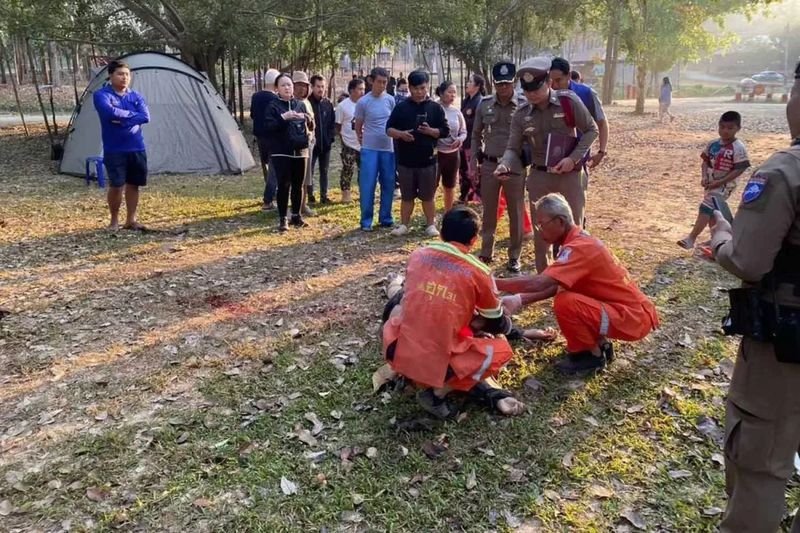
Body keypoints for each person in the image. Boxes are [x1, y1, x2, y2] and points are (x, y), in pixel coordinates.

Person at [709, 62, 800, 533]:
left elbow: (748, 260)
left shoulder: (786, 171)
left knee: (760, 460)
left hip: (785, 347)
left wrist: (723, 236)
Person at [380, 206, 527, 419]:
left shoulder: (418, 255)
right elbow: (495, 323)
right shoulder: (478, 272)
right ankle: (438, 393)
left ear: (441, 233)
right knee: (501, 349)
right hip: (437, 362)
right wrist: (499, 319)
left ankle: (427, 378)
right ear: (474, 240)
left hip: (397, 352)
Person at [497, 193, 659, 374]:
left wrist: (494, 284)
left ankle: (588, 356)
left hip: (632, 318)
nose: (539, 230)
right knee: (567, 295)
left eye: (541, 224)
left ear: (560, 221)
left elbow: (540, 283)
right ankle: (600, 345)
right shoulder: (577, 241)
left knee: (566, 302)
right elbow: (555, 284)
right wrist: (519, 299)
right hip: (630, 313)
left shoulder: (580, 248)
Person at [495, 57, 598, 273]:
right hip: (540, 176)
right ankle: (544, 275)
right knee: (541, 227)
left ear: (548, 82)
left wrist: (573, 158)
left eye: (536, 88)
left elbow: (591, 130)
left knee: (572, 227)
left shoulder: (568, 101)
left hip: (570, 175)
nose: (532, 94)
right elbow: (513, 148)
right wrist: (505, 165)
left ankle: (572, 273)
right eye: (527, 89)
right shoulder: (522, 115)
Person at [471, 62, 527, 273]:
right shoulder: (484, 104)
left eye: (507, 83)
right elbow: (476, 135)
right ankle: (486, 251)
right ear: (493, 83)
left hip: (515, 166)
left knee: (516, 211)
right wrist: (472, 162)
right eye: (499, 84)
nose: (503, 88)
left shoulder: (523, 103)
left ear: (514, 82)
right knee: (489, 211)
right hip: (490, 164)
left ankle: (514, 255)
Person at [386, 70, 449, 237]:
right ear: (410, 88)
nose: (419, 92)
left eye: (422, 88)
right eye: (415, 88)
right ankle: (404, 225)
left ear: (427, 87)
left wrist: (431, 131)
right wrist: (400, 135)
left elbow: (445, 131)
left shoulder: (436, 108)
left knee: (428, 196)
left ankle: (430, 225)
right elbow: (389, 129)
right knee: (407, 196)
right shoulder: (401, 107)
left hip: (428, 160)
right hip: (406, 161)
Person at [678, 111, 750, 251]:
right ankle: (717, 240)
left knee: (706, 207)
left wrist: (721, 181)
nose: (725, 131)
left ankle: (691, 238)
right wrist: (704, 176)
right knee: (713, 212)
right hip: (711, 183)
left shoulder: (738, 147)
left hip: (724, 186)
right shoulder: (713, 144)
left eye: (730, 128)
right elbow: (705, 162)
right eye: (722, 127)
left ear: (738, 129)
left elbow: (739, 169)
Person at [93, 60, 150, 231]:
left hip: (137, 147)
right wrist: (132, 117)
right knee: (117, 185)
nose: (124, 78)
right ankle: (114, 221)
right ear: (110, 76)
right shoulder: (102, 95)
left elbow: (145, 117)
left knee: (134, 184)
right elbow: (109, 113)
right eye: (120, 74)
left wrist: (121, 120)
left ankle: (131, 220)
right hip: (115, 149)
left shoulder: (136, 96)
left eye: (127, 74)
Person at [263, 73, 315, 232]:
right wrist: (283, 117)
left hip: (301, 150)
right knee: (284, 185)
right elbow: (268, 127)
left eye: (289, 85)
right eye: (283, 85)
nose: (287, 88)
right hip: (281, 151)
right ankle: (282, 219)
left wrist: (306, 118)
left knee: (298, 185)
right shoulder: (273, 106)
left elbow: (312, 126)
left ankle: (296, 216)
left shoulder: (300, 104)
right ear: (276, 88)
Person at [354, 67, 396, 231]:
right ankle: (366, 220)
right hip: (370, 148)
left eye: (385, 82)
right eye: (379, 82)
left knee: (388, 183)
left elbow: (393, 122)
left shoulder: (390, 100)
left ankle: (386, 217)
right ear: (371, 81)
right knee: (368, 184)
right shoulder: (363, 102)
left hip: (388, 148)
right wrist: (361, 138)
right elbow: (358, 125)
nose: (382, 85)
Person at [436, 80, 467, 212]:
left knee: (450, 186)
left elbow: (464, 131)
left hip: (453, 154)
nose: (453, 95)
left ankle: (448, 213)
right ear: (441, 93)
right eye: (450, 92)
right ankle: (430, 217)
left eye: (455, 92)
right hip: (436, 153)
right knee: (432, 186)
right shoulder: (434, 108)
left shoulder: (456, 112)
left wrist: (460, 139)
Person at [251, 68, 280, 211]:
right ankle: (268, 199)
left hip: (260, 136)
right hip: (273, 138)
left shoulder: (255, 96)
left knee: (266, 166)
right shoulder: (275, 99)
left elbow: (252, 115)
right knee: (274, 168)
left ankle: (271, 192)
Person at [335, 78, 364, 204]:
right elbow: (338, 125)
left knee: (364, 169)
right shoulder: (343, 106)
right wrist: (343, 140)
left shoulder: (365, 104)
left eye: (364, 89)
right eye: (359, 89)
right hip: (349, 143)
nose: (362, 92)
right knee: (348, 169)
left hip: (364, 143)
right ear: (352, 90)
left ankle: (364, 192)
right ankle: (346, 193)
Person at [309, 74, 336, 204]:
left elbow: (332, 123)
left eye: (323, 87)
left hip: (325, 144)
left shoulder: (328, 103)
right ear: (312, 87)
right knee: (310, 171)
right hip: (311, 145)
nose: (321, 89)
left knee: (324, 171)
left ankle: (324, 195)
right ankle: (310, 196)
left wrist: (330, 138)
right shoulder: (307, 103)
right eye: (318, 86)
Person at [292, 71, 316, 217]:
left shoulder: (306, 102)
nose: (302, 89)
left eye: (304, 86)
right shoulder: (290, 103)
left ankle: (303, 205)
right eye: (299, 85)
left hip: (308, 143)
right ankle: (294, 207)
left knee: (306, 177)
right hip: (294, 145)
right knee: (295, 179)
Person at [459, 73, 485, 204]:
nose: (467, 84)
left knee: (473, 170)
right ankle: (464, 195)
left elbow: (478, 125)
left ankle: (478, 196)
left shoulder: (480, 101)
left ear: (477, 86)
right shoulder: (466, 100)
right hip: (463, 141)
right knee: (463, 169)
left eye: (470, 81)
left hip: (472, 141)